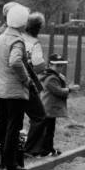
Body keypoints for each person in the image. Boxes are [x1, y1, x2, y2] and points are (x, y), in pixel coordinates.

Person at [0, 3, 31, 170]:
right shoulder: (17, 40)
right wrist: (25, 79)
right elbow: (15, 61)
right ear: (23, 23)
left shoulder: (2, 36)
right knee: (14, 126)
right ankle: (10, 162)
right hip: (14, 91)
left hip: (0, 87)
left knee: (0, 123)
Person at [22, 12, 49, 156]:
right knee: (39, 116)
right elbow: (39, 66)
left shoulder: (19, 37)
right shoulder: (34, 43)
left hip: (12, 82)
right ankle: (31, 148)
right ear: (39, 28)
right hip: (28, 83)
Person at [35, 54, 74, 156]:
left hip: (50, 107)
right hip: (48, 107)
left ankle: (49, 149)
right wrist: (70, 89)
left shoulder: (53, 76)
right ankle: (45, 150)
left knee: (50, 131)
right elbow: (58, 91)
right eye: (57, 65)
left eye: (61, 65)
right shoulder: (51, 78)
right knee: (48, 131)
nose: (60, 68)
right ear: (50, 65)